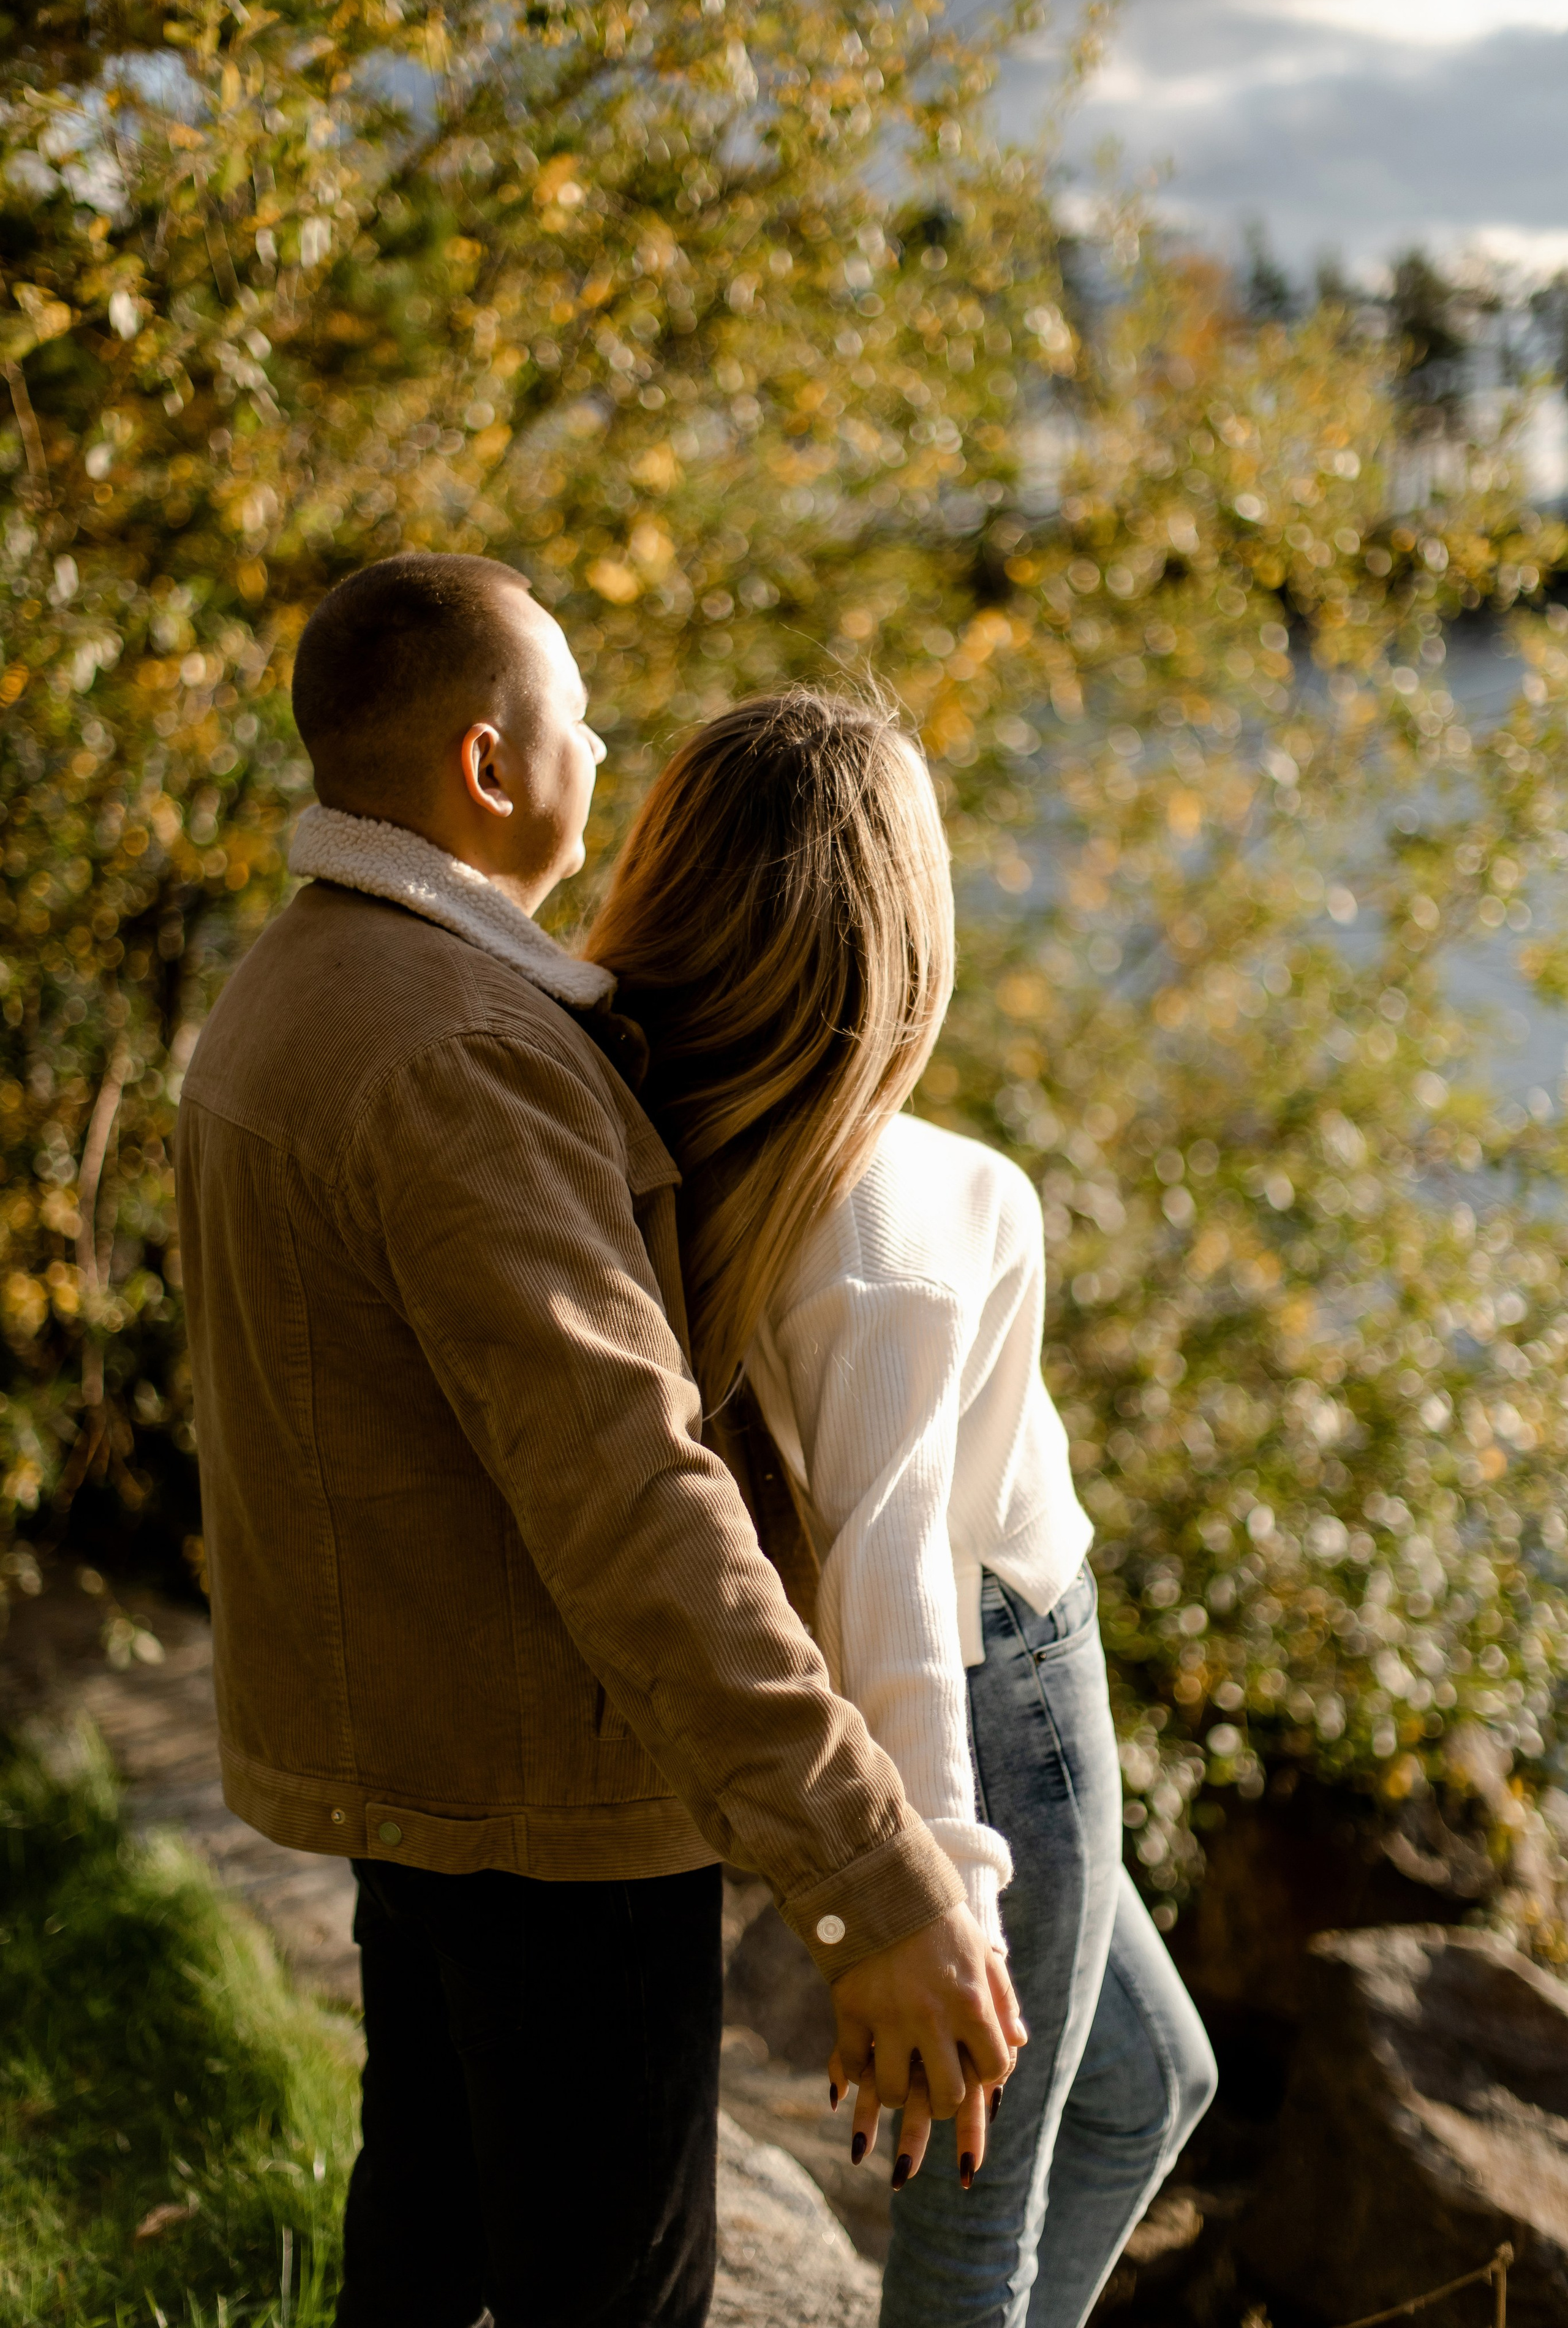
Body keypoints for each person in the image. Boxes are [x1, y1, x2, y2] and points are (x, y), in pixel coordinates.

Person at [174, 557, 1023, 2328]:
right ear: (492, 765)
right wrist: (879, 1881)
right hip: (547, 1812)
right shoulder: (465, 1054)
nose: (606, 744)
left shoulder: (303, 986)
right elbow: (632, 1499)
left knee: (429, 2247)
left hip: (420, 1765)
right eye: (578, 714)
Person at [586, 686, 1218, 2328]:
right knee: (971, 2233)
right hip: (1003, 1674)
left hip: (941, 1661)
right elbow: (901, 1590)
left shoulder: (628, 1106)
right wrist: (931, 1895)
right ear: (899, 920)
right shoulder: (904, 1231)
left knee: (1150, 2089)